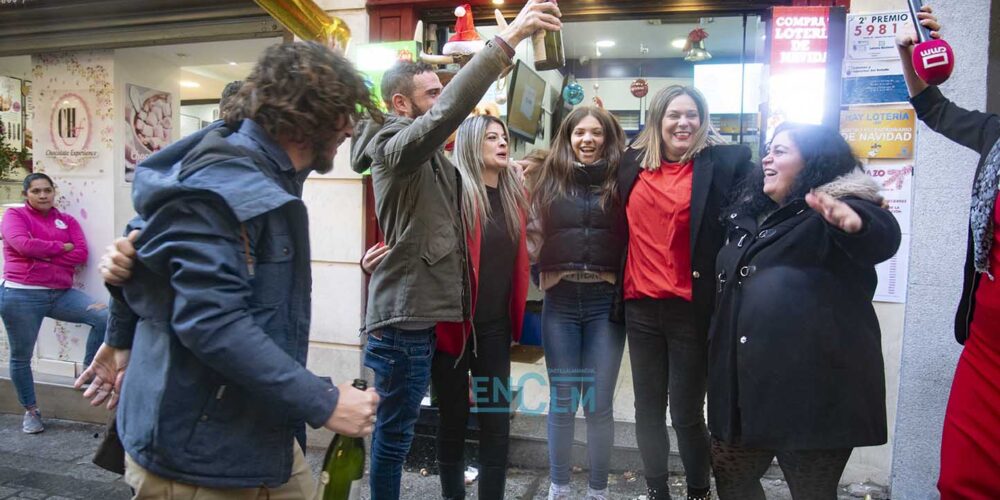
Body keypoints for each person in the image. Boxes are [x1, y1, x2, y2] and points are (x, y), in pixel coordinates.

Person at [78, 42, 381, 497]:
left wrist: (119, 338)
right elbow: (212, 322)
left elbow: (136, 252)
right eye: (343, 113)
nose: (350, 128)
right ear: (308, 115)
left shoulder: (252, 169)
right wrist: (325, 402)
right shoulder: (225, 179)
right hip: (202, 457)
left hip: (250, 434)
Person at [349, 2, 560, 498]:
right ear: (403, 105)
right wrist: (504, 46)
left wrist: (393, 250)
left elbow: (439, 232)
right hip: (415, 321)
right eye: (431, 94)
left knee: (412, 431)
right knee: (398, 436)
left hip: (445, 319)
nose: (441, 101)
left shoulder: (442, 169)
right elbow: (447, 119)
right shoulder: (392, 147)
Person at [708, 122, 901, 499]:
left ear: (814, 162)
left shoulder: (838, 207)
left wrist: (856, 224)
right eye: (768, 149)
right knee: (731, 481)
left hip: (814, 393)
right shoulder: (748, 216)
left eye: (781, 151)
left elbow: (881, 235)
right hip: (742, 387)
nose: (767, 157)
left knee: (811, 492)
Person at [615, 85, 753, 500]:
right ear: (657, 120)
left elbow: (765, 185)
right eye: (674, 115)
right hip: (640, 308)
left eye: (692, 115)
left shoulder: (722, 165)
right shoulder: (630, 165)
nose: (683, 122)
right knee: (647, 412)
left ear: (703, 120)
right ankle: (657, 490)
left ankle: (698, 492)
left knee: (687, 414)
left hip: (690, 310)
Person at [896, 8, 1000, 498]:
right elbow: (935, 111)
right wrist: (910, 54)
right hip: (988, 353)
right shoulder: (997, 137)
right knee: (962, 482)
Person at [529, 106, 628, 500]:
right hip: (562, 301)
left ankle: (598, 489)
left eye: (596, 133)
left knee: (599, 404)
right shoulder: (546, 177)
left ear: (608, 136)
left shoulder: (624, 178)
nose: (588, 140)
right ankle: (559, 486)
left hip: (606, 302)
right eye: (579, 133)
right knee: (564, 400)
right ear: (567, 138)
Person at [1, 173, 109, 434]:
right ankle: (31, 411)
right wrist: (62, 248)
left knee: (105, 315)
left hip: (60, 293)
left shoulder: (67, 220)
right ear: (26, 194)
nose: (42, 195)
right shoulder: (14, 217)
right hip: (21, 294)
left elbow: (81, 254)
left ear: (53, 192)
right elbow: (22, 245)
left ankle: (90, 372)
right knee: (21, 356)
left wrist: (44, 255)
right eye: (36, 191)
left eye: (47, 190)